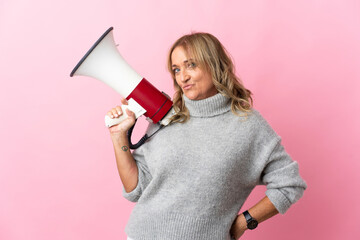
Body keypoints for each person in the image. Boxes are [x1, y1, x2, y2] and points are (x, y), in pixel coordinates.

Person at [107, 32, 307, 240]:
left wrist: (244, 222)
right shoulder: (168, 116)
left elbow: (289, 183)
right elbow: (135, 189)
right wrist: (118, 136)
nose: (182, 76)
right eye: (176, 69)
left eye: (191, 65)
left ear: (214, 64)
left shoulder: (249, 126)